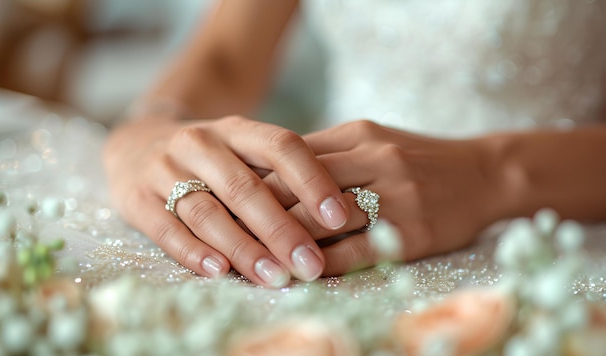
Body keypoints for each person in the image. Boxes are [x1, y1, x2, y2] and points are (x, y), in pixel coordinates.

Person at [103, 0, 606, 289]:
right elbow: (226, 57)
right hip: (333, 216)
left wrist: (491, 175)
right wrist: (149, 130)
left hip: (557, 221)